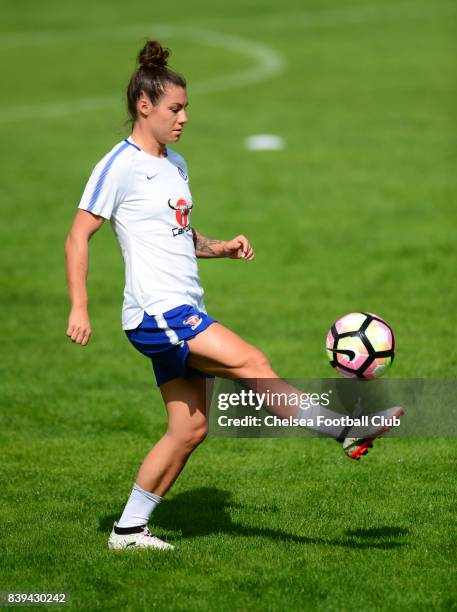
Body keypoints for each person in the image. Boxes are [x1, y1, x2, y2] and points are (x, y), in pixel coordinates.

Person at [65, 40, 403, 551]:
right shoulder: (120, 165)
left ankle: (128, 531)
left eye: (186, 109)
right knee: (252, 361)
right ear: (144, 106)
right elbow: (77, 236)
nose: (182, 119)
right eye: (174, 109)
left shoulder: (175, 164)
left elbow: (177, 233)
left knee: (189, 430)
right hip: (158, 313)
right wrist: (80, 306)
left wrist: (218, 247)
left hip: (182, 311)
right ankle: (347, 429)